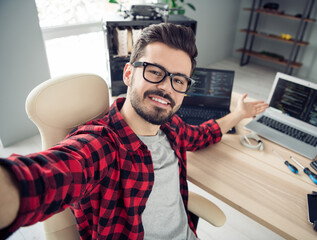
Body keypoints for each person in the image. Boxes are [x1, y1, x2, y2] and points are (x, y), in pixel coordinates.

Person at [0, 23, 268, 239]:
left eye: (178, 80)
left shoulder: (170, 125)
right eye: (154, 72)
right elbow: (45, 176)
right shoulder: (100, 145)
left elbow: (200, 136)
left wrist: (239, 114)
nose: (166, 88)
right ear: (128, 74)